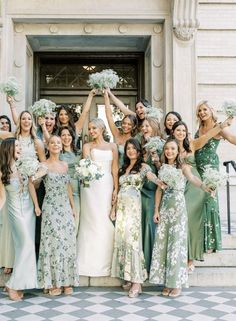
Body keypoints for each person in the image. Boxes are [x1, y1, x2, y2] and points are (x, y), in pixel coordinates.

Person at [149, 138, 210, 297]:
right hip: (165, 209)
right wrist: (156, 211)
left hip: (178, 208)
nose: (169, 151)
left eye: (173, 149)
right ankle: (167, 282)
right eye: (167, 149)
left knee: (176, 245)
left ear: (177, 151)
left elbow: (193, 179)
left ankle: (177, 283)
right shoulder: (162, 168)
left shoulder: (183, 167)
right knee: (164, 245)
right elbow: (159, 191)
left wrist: (205, 186)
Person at [172, 118, 232, 272]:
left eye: (183, 130)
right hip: (178, 184)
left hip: (194, 184)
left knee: (190, 217)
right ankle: (178, 255)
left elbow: (207, 136)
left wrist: (221, 125)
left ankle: (190, 259)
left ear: (186, 133)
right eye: (178, 130)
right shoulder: (169, 147)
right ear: (173, 132)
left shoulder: (191, 144)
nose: (181, 133)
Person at [37, 135, 79, 295]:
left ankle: (67, 281)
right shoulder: (43, 165)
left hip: (65, 207)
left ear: (62, 146)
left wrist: (73, 207)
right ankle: (52, 281)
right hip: (50, 206)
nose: (55, 145)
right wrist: (35, 177)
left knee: (67, 241)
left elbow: (68, 185)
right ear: (48, 146)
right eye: (52, 142)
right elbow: (34, 184)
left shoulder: (65, 165)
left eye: (58, 143)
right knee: (53, 242)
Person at [77, 118, 118, 276]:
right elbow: (86, 165)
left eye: (94, 128)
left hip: (106, 186)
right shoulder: (87, 146)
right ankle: (87, 262)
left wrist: (116, 188)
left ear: (102, 129)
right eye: (90, 128)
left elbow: (114, 169)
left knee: (104, 219)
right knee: (91, 221)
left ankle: (105, 262)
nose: (91, 131)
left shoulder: (112, 146)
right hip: (91, 186)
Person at [0, 138, 40, 301]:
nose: (19, 148)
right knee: (26, 244)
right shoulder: (2, 170)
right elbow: (2, 197)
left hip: (29, 209)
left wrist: (37, 206)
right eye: (16, 146)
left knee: (27, 246)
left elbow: (31, 185)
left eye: (19, 146)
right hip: (15, 210)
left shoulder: (23, 165)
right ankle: (12, 284)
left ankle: (21, 284)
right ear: (8, 149)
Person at [195, 101, 236, 253]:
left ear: (211, 110)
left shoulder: (218, 127)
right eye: (199, 110)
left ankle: (212, 243)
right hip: (197, 169)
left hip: (210, 169)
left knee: (210, 203)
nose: (202, 112)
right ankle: (201, 241)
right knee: (199, 204)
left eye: (204, 109)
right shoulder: (199, 128)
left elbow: (232, 139)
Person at [140, 116, 162, 272]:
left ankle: (150, 265)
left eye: (147, 125)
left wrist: (155, 157)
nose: (144, 128)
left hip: (153, 191)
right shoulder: (142, 146)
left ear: (154, 127)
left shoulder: (160, 146)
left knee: (149, 225)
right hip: (140, 190)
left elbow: (162, 170)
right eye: (143, 126)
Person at [104, 89, 137, 167]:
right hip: (114, 169)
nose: (126, 126)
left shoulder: (135, 140)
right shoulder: (116, 134)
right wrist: (106, 96)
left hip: (127, 171)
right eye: (124, 123)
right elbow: (109, 116)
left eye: (129, 124)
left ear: (134, 126)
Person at [59, 126, 81, 234]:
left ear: (72, 137)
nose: (66, 137)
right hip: (63, 192)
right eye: (63, 135)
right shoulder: (58, 154)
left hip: (77, 192)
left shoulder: (79, 153)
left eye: (68, 135)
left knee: (75, 220)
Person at [0, 116, 14, 274]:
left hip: (6, 180)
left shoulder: (10, 140)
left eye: (6, 124)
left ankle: (7, 260)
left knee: (6, 222)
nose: (4, 126)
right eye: (2, 123)